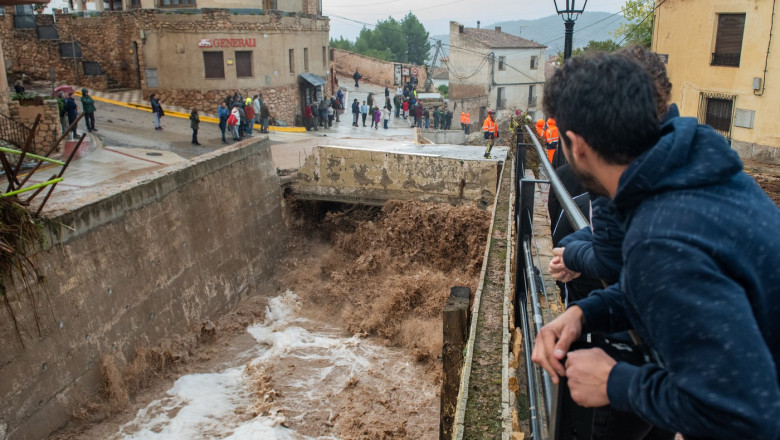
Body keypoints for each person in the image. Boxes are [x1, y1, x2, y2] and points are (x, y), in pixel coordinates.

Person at [531, 53, 780, 440]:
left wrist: (615, 382)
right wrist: (586, 312)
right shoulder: (692, 172)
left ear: (576, 145)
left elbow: (748, 415)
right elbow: (670, 291)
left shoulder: (660, 237)